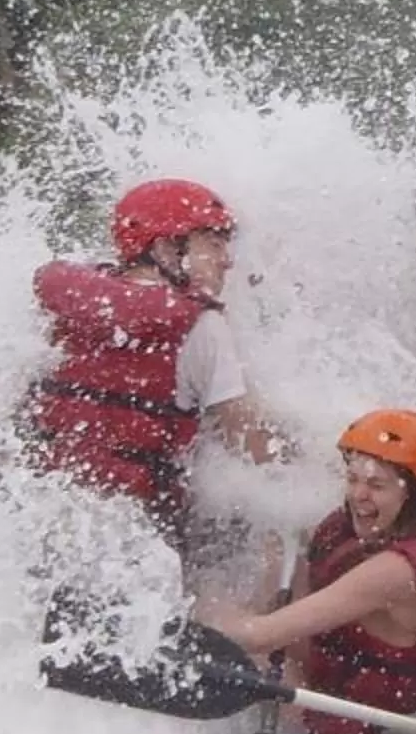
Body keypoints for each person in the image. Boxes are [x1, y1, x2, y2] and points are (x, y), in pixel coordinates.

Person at [193, 408, 416, 734]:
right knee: (281, 563)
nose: (358, 495)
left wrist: (192, 613)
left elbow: (259, 637)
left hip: (376, 721)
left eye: (376, 485)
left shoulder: (393, 572)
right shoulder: (415, 527)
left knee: (242, 642)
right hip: (361, 682)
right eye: (352, 479)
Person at [20, 178, 280, 545]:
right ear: (164, 249)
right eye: (213, 244)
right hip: (142, 535)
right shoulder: (201, 325)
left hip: (39, 517)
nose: (227, 260)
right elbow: (254, 448)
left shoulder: (64, 306)